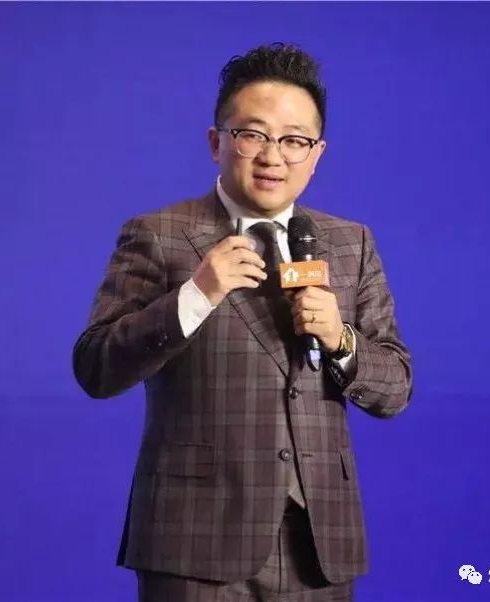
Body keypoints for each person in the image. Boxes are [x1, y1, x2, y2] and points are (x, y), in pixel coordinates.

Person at [73, 42, 412, 602]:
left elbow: (395, 387)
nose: (272, 157)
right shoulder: (159, 234)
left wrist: (339, 339)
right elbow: (96, 367)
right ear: (217, 142)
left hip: (319, 544)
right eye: (252, 134)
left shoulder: (350, 243)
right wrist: (196, 295)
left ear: (317, 154)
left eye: (294, 140)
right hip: (195, 541)